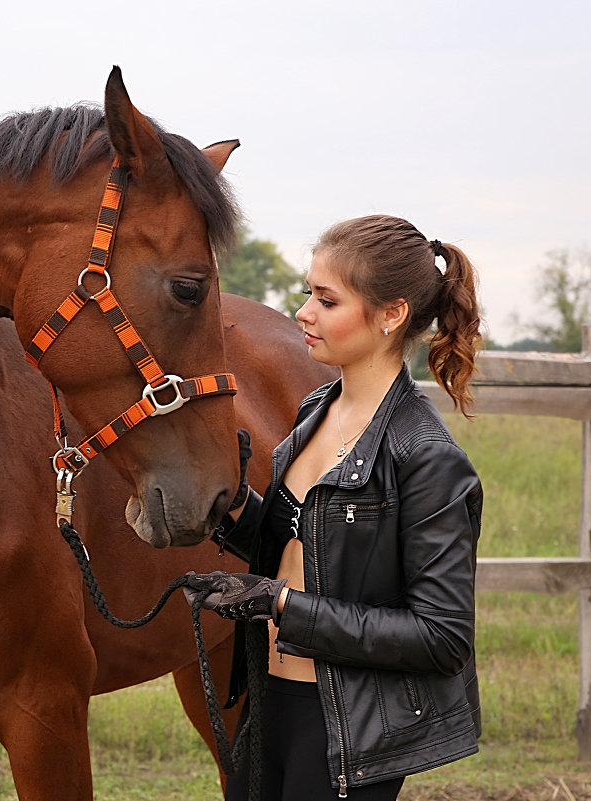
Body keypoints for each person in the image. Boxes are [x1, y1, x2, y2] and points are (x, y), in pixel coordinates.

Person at [185, 214, 484, 801]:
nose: (304, 312)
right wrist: (226, 504)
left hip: (347, 731)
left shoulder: (426, 457)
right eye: (307, 294)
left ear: (391, 314)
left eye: (327, 299)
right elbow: (302, 541)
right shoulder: (315, 411)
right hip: (266, 704)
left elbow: (442, 636)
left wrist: (282, 605)